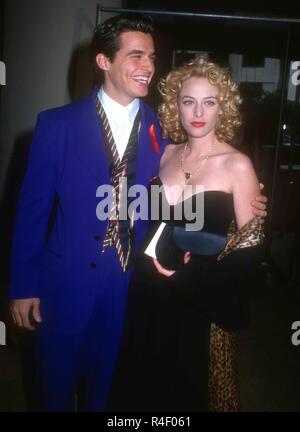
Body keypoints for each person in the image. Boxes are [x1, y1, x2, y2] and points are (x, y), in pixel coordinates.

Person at [9, 15, 266, 412]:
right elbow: (31, 210)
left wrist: (249, 201)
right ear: (103, 61)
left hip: (129, 288)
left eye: (151, 56)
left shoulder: (159, 134)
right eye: (135, 55)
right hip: (65, 284)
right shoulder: (56, 125)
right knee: (53, 392)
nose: (147, 65)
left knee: (111, 393)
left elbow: (200, 194)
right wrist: (23, 285)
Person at [108, 57, 265, 412]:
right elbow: (141, 216)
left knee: (186, 394)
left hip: (197, 302)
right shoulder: (162, 153)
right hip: (144, 295)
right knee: (139, 394)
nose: (198, 111)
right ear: (174, 105)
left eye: (209, 102)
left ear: (222, 108)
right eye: (188, 101)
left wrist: (192, 276)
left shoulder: (237, 165)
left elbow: (251, 249)